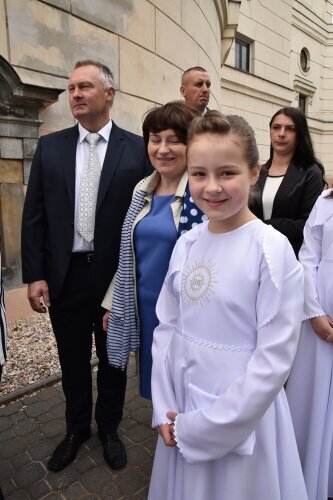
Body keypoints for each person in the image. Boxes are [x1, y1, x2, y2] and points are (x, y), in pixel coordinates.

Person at [148, 112, 307, 500]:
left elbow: (273, 360)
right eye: (199, 174)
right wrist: (163, 404)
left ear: (254, 173)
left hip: (241, 418)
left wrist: (206, 428)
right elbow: (167, 325)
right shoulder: (187, 242)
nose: (212, 187)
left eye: (227, 173)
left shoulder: (270, 249)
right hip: (181, 407)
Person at [21, 60, 152, 472]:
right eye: (72, 88)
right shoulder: (52, 146)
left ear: (109, 94)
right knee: (72, 359)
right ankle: (77, 428)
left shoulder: (137, 149)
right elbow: (34, 216)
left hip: (115, 278)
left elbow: (146, 216)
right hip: (65, 275)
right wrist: (36, 274)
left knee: (114, 359)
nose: (75, 94)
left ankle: (109, 428)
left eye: (85, 87)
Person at [102, 101, 205, 400]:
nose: (162, 149)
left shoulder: (201, 195)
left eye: (174, 140)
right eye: (155, 139)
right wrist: (113, 303)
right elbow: (129, 255)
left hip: (183, 314)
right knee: (158, 393)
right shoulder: (141, 190)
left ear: (192, 144)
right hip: (145, 311)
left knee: (185, 390)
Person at [286, 189, 333, 500]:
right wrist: (314, 312)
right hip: (320, 330)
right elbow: (308, 257)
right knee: (312, 402)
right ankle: (305, 475)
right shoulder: (326, 201)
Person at [250, 106, 325, 256]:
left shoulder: (310, 172)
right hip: (256, 252)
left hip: (291, 254)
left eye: (290, 129)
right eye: (276, 127)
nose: (281, 134)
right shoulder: (260, 172)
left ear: (300, 134)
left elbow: (307, 225)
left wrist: (262, 226)